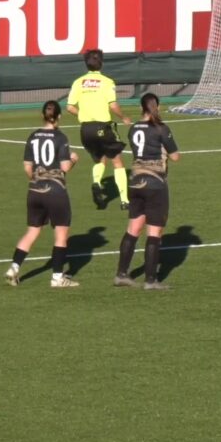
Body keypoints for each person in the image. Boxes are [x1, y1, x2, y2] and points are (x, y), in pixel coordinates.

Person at [5, 100, 80, 288]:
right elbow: (65, 168)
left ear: (42, 116)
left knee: (32, 231)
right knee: (61, 234)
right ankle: (57, 278)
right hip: (55, 191)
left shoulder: (32, 136)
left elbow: (27, 167)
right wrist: (73, 160)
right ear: (59, 117)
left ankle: (14, 267)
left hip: (35, 190)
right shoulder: (60, 137)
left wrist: (36, 180)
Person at [114, 93, 182, 290]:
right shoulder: (161, 128)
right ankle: (151, 280)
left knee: (133, 228)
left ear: (141, 107)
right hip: (155, 183)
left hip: (135, 181)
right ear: (156, 106)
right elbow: (175, 156)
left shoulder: (134, 128)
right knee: (154, 231)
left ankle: (121, 274)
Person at [66, 49, 133, 210]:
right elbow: (113, 105)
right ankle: (124, 200)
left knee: (99, 159)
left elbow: (69, 107)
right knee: (117, 161)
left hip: (86, 129)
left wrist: (84, 114)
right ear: (101, 63)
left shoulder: (78, 82)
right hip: (103, 127)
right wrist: (123, 117)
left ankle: (96, 182)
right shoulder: (107, 82)